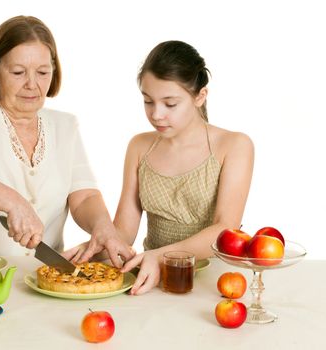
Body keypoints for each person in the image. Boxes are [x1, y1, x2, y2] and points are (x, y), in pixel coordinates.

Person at [0, 15, 134, 265]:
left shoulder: (65, 126)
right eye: (18, 72)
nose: (32, 84)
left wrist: (103, 226)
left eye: (43, 72)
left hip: (42, 276)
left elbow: (85, 196)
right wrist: (14, 202)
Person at [66, 40, 254, 294]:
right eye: (148, 101)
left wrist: (159, 255)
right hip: (156, 280)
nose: (156, 114)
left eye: (170, 103)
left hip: (217, 283)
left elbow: (225, 229)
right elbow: (125, 232)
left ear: (200, 96)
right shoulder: (139, 147)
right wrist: (97, 247)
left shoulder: (234, 146)